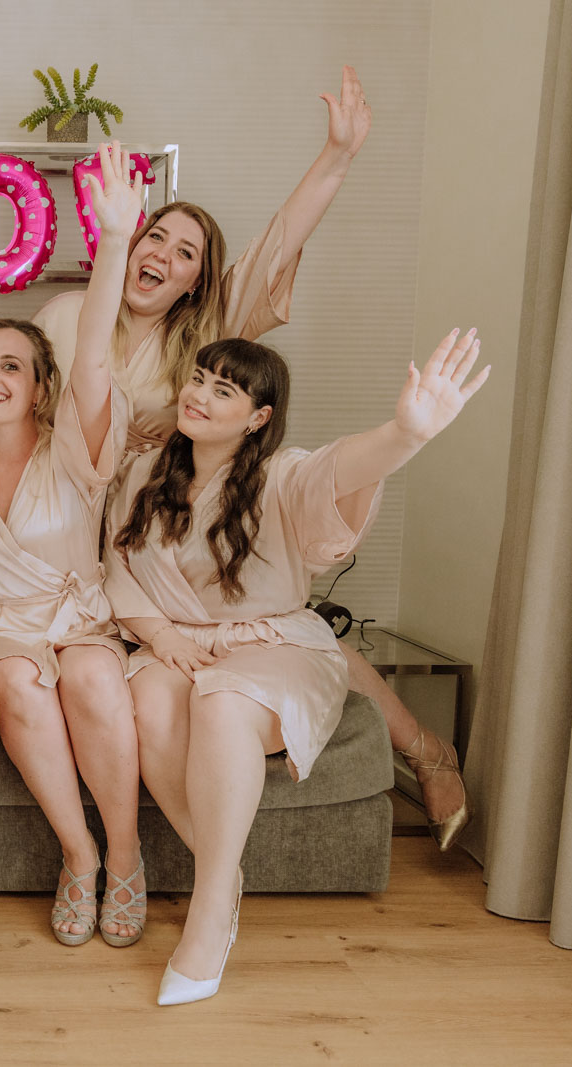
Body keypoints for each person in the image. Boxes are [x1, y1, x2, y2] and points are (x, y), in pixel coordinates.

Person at [32, 66, 469, 847]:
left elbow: (279, 241)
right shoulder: (67, 315)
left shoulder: (207, 334)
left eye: (187, 252)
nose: (163, 254)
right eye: (154, 236)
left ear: (199, 280)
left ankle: (423, 747)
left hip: (167, 526)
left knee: (274, 624)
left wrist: (336, 156)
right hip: (75, 526)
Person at [105, 328, 490, 1004]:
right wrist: (160, 635)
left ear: (258, 418)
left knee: (222, 702)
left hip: (272, 642)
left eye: (224, 390)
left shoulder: (282, 474)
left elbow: (338, 470)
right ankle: (224, 873)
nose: (199, 395)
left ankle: (209, 911)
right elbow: (117, 568)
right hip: (174, 638)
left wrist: (404, 434)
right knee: (144, 703)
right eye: (198, 379)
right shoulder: (143, 472)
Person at [0, 144, 142, 946]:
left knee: (91, 675)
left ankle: (126, 856)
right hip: (5, 627)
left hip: (80, 614)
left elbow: (92, 355)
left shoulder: (74, 452)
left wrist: (115, 241)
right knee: (17, 684)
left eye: (11, 366)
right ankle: (79, 853)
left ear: (39, 386)